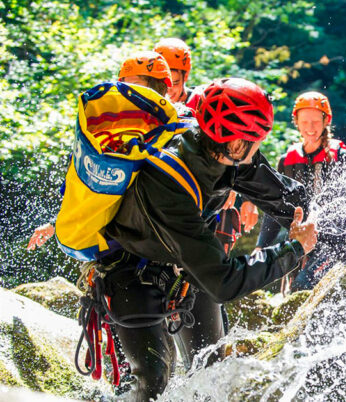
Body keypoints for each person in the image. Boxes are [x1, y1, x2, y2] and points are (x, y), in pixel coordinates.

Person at [88, 77, 316, 400]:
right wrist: (294, 249)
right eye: (257, 141)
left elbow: (284, 197)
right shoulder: (167, 182)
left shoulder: (225, 152)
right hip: (130, 270)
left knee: (211, 366)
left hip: (185, 264)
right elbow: (223, 282)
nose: (258, 149)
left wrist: (329, 229)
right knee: (153, 379)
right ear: (236, 145)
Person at [27, 51, 174, 251]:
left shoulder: (176, 129)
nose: (128, 93)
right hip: (109, 238)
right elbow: (79, 183)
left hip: (153, 236)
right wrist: (54, 221)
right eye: (124, 86)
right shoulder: (108, 129)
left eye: (135, 86)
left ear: (158, 89)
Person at [154, 37, 259, 252]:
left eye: (174, 82)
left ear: (186, 76)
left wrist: (246, 195)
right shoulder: (150, 107)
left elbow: (241, 144)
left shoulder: (205, 104)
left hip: (209, 195)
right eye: (162, 84)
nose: (168, 91)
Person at [258, 91, 346, 292]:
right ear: (297, 123)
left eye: (316, 122)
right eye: (304, 122)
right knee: (291, 293)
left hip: (334, 241)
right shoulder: (287, 160)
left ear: (326, 121)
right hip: (301, 240)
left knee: (302, 286)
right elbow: (275, 206)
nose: (310, 128)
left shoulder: (339, 155)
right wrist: (261, 245)